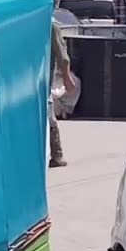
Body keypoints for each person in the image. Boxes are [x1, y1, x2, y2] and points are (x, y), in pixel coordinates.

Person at [49, 16, 75, 168]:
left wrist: (66, 77)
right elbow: (63, 56)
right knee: (48, 111)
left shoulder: (50, 25)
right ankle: (56, 154)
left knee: (49, 112)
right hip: (42, 76)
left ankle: (57, 154)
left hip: (41, 76)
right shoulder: (50, 24)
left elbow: (63, 57)